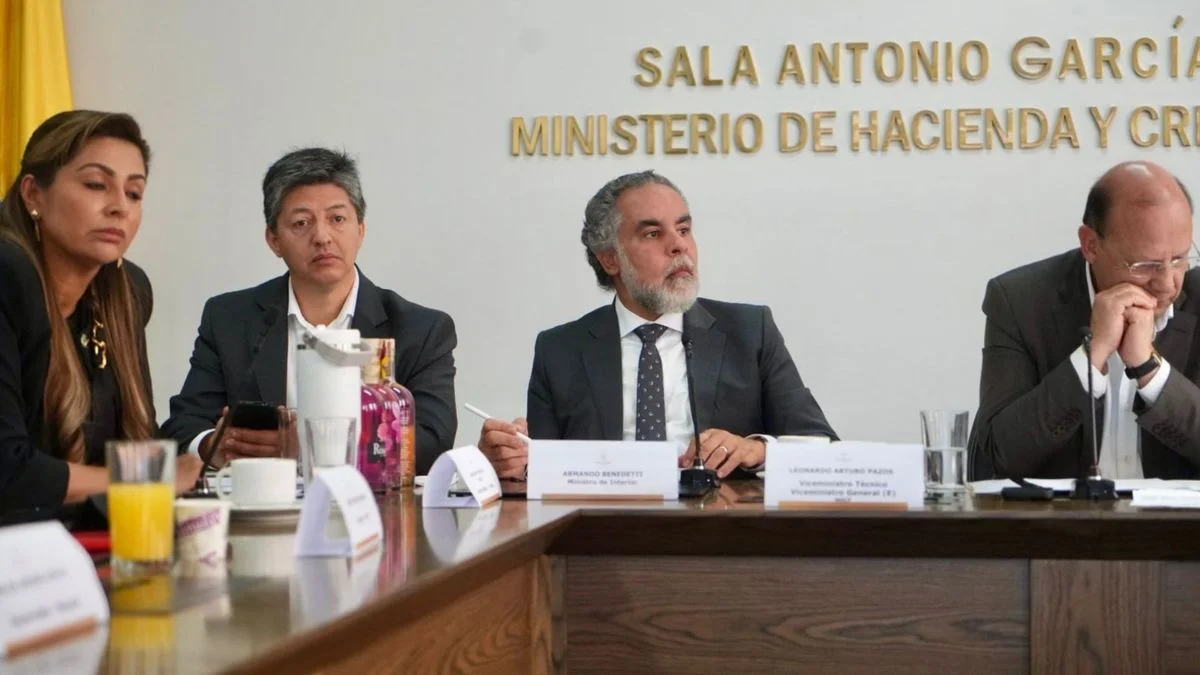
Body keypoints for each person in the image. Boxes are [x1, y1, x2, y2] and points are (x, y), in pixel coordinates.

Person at [477, 170, 837, 479]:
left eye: (684, 229)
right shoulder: (560, 350)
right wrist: (511, 460)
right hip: (602, 529)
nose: (679, 246)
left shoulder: (750, 331)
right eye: (653, 234)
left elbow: (822, 446)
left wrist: (757, 451)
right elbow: (540, 472)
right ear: (610, 259)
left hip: (724, 526)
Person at [161, 148, 457, 475]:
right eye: (301, 223)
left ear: (360, 229)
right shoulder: (229, 319)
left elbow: (432, 442)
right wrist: (215, 446)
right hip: (261, 503)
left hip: (371, 504)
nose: (322, 237)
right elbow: (182, 427)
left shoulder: (420, 330)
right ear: (274, 240)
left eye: (337, 219)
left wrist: (307, 447)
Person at [0, 110, 202, 514]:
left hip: (89, 535)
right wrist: (152, 475)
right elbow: (8, 470)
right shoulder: (8, 276)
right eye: (96, 185)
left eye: (134, 193)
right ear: (33, 194)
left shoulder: (128, 291)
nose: (119, 207)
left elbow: (136, 441)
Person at [968, 161, 1200, 481]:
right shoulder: (1020, 302)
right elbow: (996, 458)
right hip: (1064, 515)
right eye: (1145, 265)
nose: (1167, 283)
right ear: (1091, 245)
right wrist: (1091, 357)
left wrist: (1149, 369)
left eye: (1179, 259)